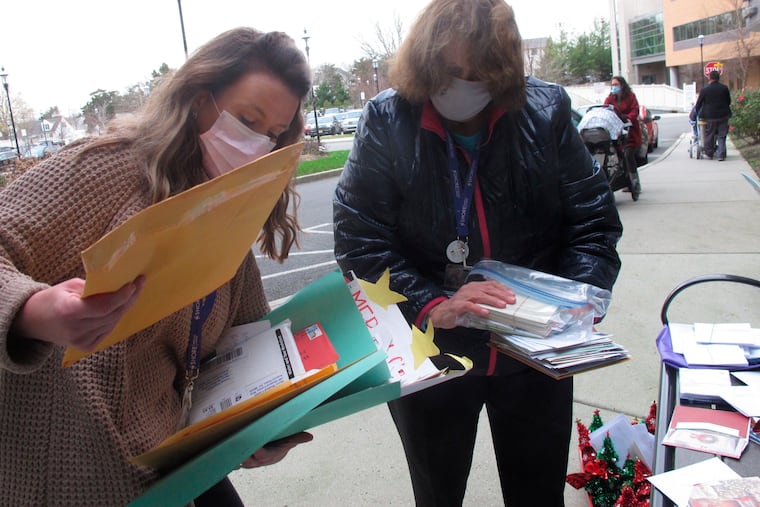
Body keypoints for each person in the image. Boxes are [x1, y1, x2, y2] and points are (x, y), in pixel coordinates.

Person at [0, 27, 313, 506]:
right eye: (247, 120)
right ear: (197, 97)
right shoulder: (102, 167)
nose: (255, 145)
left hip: (173, 459)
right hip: (73, 472)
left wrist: (259, 422)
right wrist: (32, 310)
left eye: (272, 135)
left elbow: (244, 338)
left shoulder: (226, 197)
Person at [332, 0, 623, 505]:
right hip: (431, 354)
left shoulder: (547, 110)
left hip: (534, 355)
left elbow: (593, 223)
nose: (464, 84)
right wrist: (430, 303)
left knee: (537, 491)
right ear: (425, 59)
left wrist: (576, 299)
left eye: (482, 72)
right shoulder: (386, 119)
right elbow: (360, 240)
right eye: (450, 69)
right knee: (437, 490)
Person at [604, 75, 642, 195]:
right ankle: (625, 180)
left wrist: (627, 118)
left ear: (622, 85)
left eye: (616, 85)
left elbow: (635, 110)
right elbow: (605, 108)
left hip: (630, 131)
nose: (614, 87)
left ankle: (634, 181)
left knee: (628, 155)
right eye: (612, 85)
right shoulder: (611, 98)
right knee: (619, 157)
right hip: (617, 131)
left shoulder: (630, 96)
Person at [695, 70, 732, 161]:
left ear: (709, 78)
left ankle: (709, 153)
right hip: (723, 115)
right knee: (722, 135)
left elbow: (698, 104)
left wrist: (697, 112)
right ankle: (721, 155)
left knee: (709, 135)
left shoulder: (705, 89)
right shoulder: (724, 88)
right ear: (718, 78)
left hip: (710, 116)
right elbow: (728, 101)